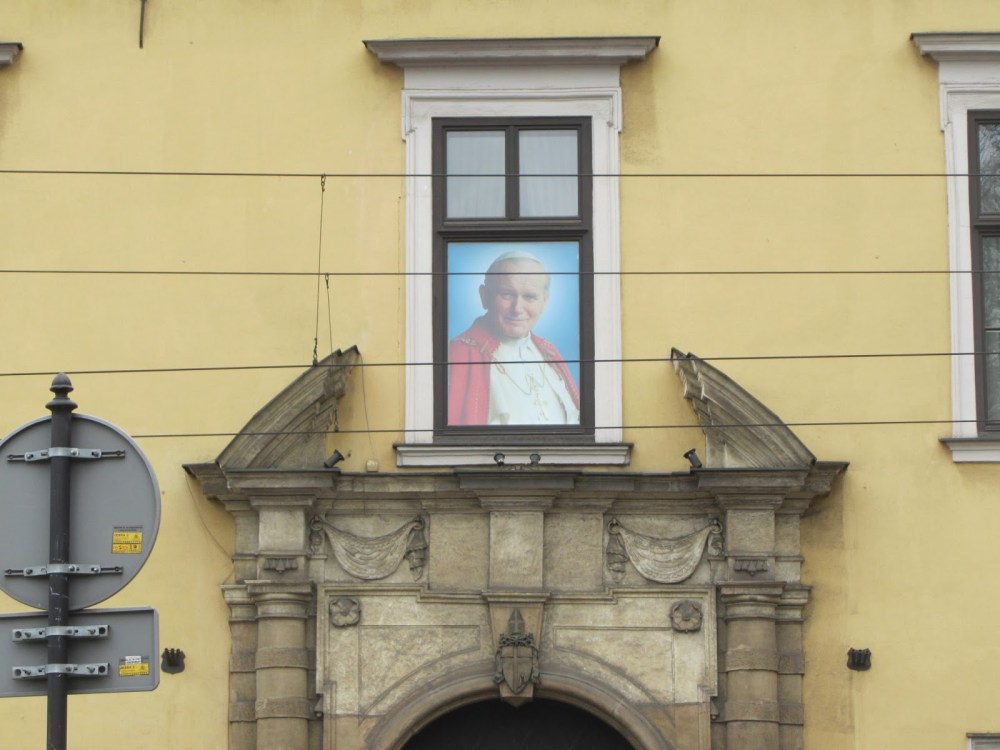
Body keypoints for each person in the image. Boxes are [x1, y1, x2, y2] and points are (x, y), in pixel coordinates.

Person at [448, 250, 580, 425]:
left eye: (530, 297)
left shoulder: (549, 351)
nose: (517, 308)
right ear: (484, 296)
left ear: (545, 302)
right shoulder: (457, 354)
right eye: (507, 294)